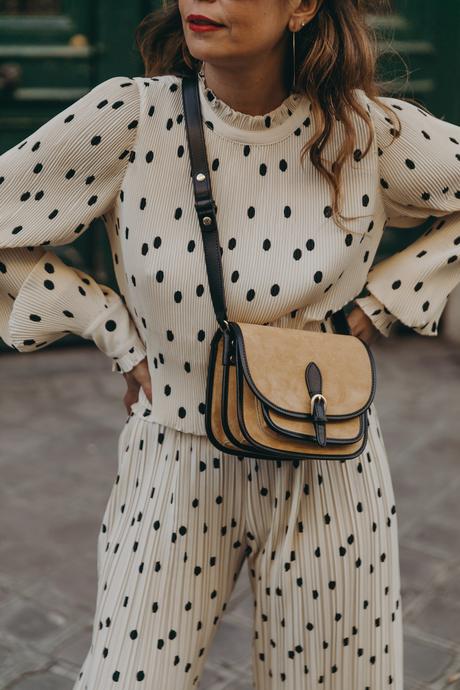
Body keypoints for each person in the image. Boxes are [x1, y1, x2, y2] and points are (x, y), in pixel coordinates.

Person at [1, 1, 459, 688]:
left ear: (302, 6)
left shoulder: (367, 132)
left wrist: (382, 304)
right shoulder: (130, 117)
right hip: (173, 461)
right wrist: (111, 329)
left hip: (328, 466)